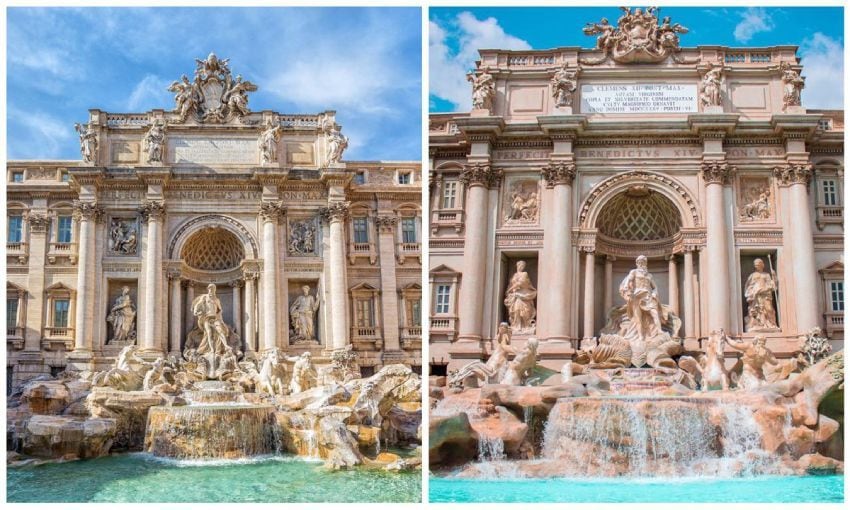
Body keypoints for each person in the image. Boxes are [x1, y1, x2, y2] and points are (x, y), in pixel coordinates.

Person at [743, 258, 778, 331]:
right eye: (755, 265)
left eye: (758, 264)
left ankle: (771, 324)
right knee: (757, 310)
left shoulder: (766, 275)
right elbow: (748, 286)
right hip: (756, 295)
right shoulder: (752, 275)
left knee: (769, 309)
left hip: (765, 294)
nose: (757, 266)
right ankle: (759, 324)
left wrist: (774, 276)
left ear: (762, 265)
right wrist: (752, 292)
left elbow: (772, 284)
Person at [503, 261, 537, 333]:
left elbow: (521, 283)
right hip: (515, 296)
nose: (522, 267)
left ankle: (526, 326)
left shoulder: (524, 274)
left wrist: (510, 289)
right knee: (516, 310)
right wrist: (510, 291)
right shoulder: (514, 275)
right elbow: (511, 284)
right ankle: (516, 326)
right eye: (520, 265)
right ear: (517, 266)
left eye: (523, 266)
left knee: (524, 311)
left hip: (524, 294)